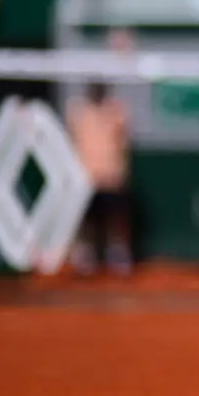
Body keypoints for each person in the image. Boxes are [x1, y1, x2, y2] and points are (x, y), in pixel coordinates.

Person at [66, 82, 133, 276]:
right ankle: (85, 257)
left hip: (112, 176)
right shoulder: (78, 112)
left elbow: (124, 138)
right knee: (85, 220)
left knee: (116, 218)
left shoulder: (117, 110)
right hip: (85, 177)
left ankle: (119, 255)